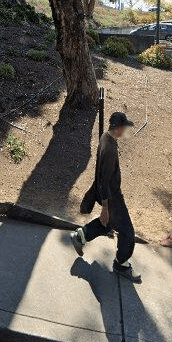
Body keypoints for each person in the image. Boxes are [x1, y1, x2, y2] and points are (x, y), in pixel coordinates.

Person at [70, 112, 140, 283]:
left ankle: (80, 236)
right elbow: (105, 180)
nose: (125, 131)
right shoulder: (109, 148)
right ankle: (122, 265)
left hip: (110, 195)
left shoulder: (105, 137)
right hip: (113, 197)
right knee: (127, 232)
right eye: (124, 127)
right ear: (118, 128)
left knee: (107, 224)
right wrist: (105, 208)